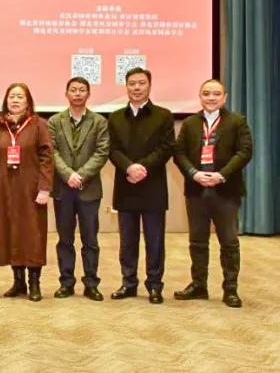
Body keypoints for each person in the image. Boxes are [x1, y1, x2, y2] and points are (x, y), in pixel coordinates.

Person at [172, 79, 254, 308]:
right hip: (196, 189)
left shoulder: (237, 121)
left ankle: (230, 289)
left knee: (229, 242)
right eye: (206, 93)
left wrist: (222, 175)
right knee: (197, 241)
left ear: (224, 97)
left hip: (225, 190)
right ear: (200, 97)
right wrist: (193, 173)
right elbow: (179, 153)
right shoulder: (189, 123)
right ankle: (199, 285)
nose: (211, 98)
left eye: (216, 94)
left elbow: (245, 152)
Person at [107, 67, 174, 304]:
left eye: (141, 83)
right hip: (126, 185)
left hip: (153, 186)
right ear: (126, 87)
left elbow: (166, 148)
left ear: (149, 86)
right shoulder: (115, 117)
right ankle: (129, 283)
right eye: (132, 83)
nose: (136, 88)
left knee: (155, 241)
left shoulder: (164, 115)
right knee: (127, 241)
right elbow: (112, 149)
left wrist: (142, 167)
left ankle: (154, 285)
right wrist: (129, 167)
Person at [48, 76, 110, 301]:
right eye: (73, 90)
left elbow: (102, 152)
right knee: (65, 240)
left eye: (82, 90)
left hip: (89, 190)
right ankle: (66, 283)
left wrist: (80, 175)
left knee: (90, 240)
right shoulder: (54, 121)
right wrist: (68, 175)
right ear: (66, 94)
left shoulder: (99, 121)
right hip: (63, 189)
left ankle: (91, 283)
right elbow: (52, 152)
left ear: (88, 94)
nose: (77, 94)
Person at [0, 83, 54, 301]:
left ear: (28, 102)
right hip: (5, 189)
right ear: (5, 101)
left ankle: (34, 282)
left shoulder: (39, 125)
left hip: (31, 189)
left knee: (33, 234)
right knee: (10, 232)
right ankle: (18, 282)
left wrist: (45, 188)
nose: (15, 100)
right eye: (12, 97)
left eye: (20, 97)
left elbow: (47, 158)